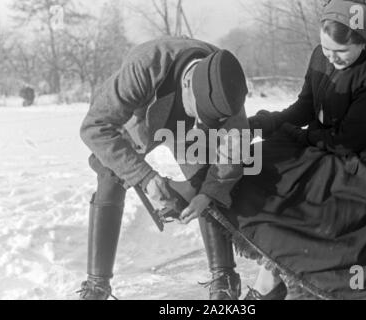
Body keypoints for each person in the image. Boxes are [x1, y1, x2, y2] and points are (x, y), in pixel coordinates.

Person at [223, 0, 366, 300]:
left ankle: (275, 279)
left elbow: (349, 140)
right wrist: (264, 124)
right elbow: (304, 107)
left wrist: (295, 135)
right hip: (329, 145)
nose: (331, 58)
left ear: (362, 42)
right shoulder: (321, 56)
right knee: (262, 162)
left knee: (303, 190)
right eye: (327, 49)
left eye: (341, 52)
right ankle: (271, 275)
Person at [78, 36, 249, 300]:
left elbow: (234, 151)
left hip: (179, 130)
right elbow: (95, 127)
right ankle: (96, 285)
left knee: (205, 181)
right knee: (109, 173)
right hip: (137, 118)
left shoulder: (226, 80)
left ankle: (225, 278)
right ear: (188, 84)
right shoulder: (145, 66)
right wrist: (144, 176)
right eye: (200, 115)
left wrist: (208, 193)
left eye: (211, 121)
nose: (201, 124)